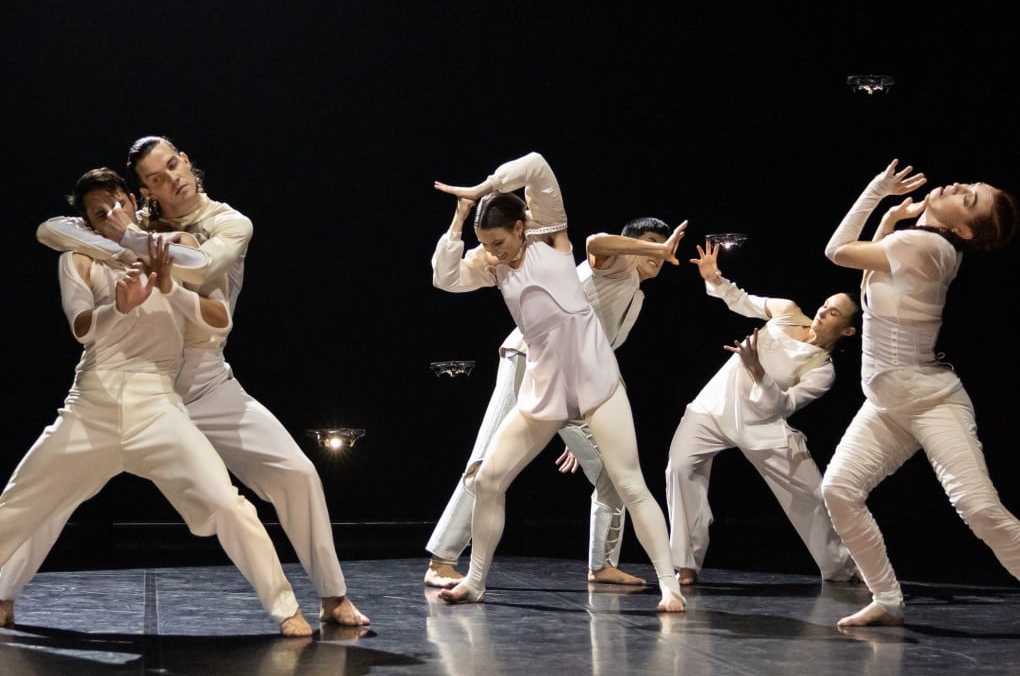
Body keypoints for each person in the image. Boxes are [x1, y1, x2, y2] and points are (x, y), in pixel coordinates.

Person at [25, 136, 369, 626]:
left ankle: (333, 596)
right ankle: (5, 587)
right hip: (141, 383)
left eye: (173, 166)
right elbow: (54, 229)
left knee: (296, 472)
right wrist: (117, 235)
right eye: (156, 179)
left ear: (186, 158)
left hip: (206, 383)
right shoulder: (133, 223)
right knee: (58, 488)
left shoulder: (228, 222)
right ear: (144, 191)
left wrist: (131, 242)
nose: (173, 180)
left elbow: (204, 268)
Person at [430, 151, 685, 612]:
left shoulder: (550, 236)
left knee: (628, 482)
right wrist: (459, 220)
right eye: (486, 243)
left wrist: (486, 185)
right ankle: (475, 579)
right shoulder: (492, 266)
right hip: (543, 384)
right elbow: (445, 279)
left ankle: (670, 587)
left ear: (521, 227)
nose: (494, 251)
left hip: (594, 379)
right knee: (489, 479)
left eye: (500, 240)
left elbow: (536, 164)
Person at [821, 158, 1020, 627]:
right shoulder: (915, 243)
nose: (957, 186)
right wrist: (891, 219)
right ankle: (886, 599)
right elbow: (875, 279)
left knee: (978, 508)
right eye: (968, 184)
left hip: (932, 401)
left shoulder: (926, 245)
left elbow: (838, 251)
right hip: (889, 402)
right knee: (839, 490)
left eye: (966, 198)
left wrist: (877, 191)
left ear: (965, 231)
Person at [666, 239, 860, 585]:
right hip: (714, 408)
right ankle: (686, 563)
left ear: (847, 329)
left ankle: (841, 568)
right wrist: (714, 279)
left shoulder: (822, 370)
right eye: (826, 305)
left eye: (834, 312)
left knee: (812, 496)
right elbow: (741, 300)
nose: (823, 311)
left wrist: (757, 371)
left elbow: (782, 405)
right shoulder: (787, 311)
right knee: (680, 467)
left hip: (763, 425)